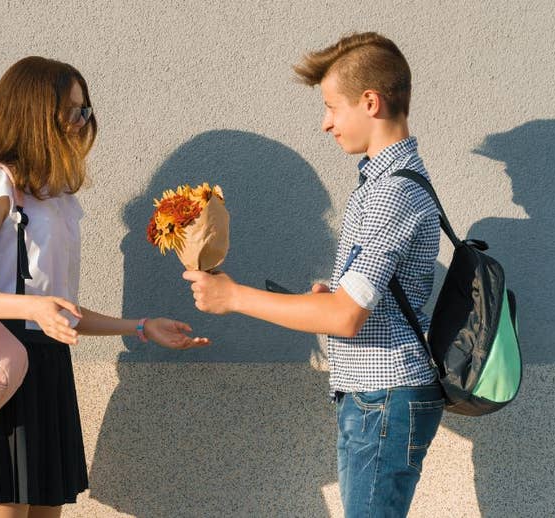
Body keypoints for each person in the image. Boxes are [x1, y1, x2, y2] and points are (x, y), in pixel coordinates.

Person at [183, 32, 444, 517]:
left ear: (370, 102)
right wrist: (327, 297)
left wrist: (233, 297)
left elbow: (346, 317)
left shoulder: (392, 194)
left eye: (331, 107)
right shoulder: (381, 184)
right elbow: (358, 299)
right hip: (373, 397)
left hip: (383, 399)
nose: (325, 124)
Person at [0, 56, 210, 518]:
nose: (82, 122)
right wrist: (35, 307)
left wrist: (141, 326)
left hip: (48, 369)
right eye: (72, 110)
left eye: (85, 111)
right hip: (3, 368)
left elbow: (59, 309)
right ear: (33, 113)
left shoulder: (56, 195)